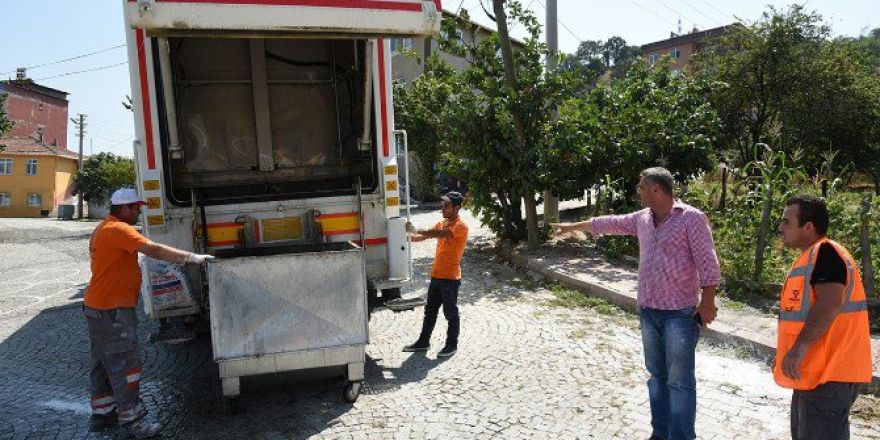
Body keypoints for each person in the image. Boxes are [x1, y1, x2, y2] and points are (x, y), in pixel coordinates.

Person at [551, 167, 720, 440]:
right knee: (656, 376)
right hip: (649, 311)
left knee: (679, 382)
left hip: (680, 314)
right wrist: (572, 227)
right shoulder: (642, 219)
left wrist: (708, 301)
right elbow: (607, 223)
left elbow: (708, 261)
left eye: (641, 187)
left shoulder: (691, 219)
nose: (638, 193)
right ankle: (660, 432)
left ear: (656, 189)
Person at [84, 188, 214, 438]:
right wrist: (191, 257)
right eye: (136, 208)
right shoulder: (118, 230)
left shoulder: (102, 228)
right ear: (124, 209)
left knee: (102, 363)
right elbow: (151, 249)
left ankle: (102, 414)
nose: (139, 212)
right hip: (113, 311)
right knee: (125, 366)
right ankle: (133, 421)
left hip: (98, 308)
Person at [775, 195, 872, 440]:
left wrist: (798, 348)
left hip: (829, 374)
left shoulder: (826, 253)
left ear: (809, 227)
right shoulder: (814, 256)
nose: (780, 227)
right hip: (815, 372)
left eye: (787, 222)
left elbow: (829, 303)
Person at [402, 191, 469, 358]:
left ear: (456, 208)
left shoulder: (461, 227)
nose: (442, 208)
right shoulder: (442, 223)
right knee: (430, 311)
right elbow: (423, 236)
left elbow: (436, 234)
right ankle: (423, 342)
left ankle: (451, 344)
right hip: (437, 276)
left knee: (450, 312)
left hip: (450, 278)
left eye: (446, 205)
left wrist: (418, 229)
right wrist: (406, 236)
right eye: (442, 204)